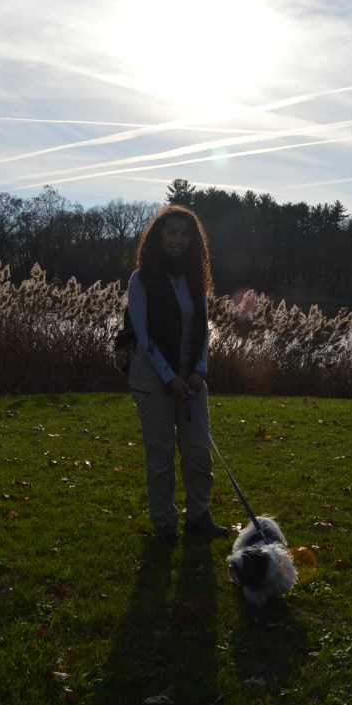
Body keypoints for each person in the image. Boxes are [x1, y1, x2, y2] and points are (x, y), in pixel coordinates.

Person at [127, 205, 229, 543]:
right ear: (158, 236)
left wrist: (199, 370)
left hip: (191, 377)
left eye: (185, 234)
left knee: (199, 451)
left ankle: (199, 517)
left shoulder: (195, 277)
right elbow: (144, 337)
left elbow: (205, 329)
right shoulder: (141, 280)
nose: (179, 240)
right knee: (161, 454)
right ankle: (164, 525)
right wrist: (170, 377)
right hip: (153, 376)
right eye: (172, 233)